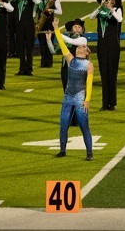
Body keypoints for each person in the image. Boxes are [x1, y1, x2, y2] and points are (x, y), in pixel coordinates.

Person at [51, 17, 95, 161]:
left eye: (82, 47)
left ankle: (89, 153)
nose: (79, 48)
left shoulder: (89, 65)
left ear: (87, 51)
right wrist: (56, 28)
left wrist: (87, 100)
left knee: (84, 126)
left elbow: (89, 84)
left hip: (80, 98)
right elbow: (63, 44)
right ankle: (62, 150)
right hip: (68, 97)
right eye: (78, 46)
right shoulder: (70, 59)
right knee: (63, 125)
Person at [86, 0, 122, 111]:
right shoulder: (100, 11)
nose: (106, 1)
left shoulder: (117, 9)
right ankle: (105, 103)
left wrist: (111, 9)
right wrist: (100, 7)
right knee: (104, 73)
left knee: (112, 73)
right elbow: (91, 17)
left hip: (113, 44)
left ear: (113, 1)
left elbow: (119, 19)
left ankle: (113, 103)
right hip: (102, 44)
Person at [45, 18, 88, 92]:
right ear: (71, 28)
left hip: (77, 69)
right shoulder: (66, 40)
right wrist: (48, 40)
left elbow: (71, 41)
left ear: (82, 30)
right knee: (66, 91)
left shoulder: (83, 39)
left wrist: (57, 31)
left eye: (79, 27)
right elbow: (53, 51)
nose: (77, 29)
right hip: (65, 69)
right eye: (75, 27)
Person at [10, 0, 40, 76]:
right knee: (21, 48)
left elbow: (38, 2)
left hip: (29, 25)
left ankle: (29, 69)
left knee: (29, 48)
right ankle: (22, 68)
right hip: (19, 26)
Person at [35, 0, 62, 68]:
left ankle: (49, 63)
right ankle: (43, 63)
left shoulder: (55, 0)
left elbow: (60, 12)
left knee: (49, 42)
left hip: (50, 24)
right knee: (42, 44)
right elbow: (34, 12)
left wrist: (52, 10)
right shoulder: (39, 0)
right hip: (41, 24)